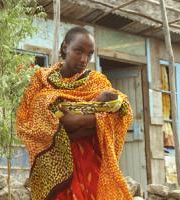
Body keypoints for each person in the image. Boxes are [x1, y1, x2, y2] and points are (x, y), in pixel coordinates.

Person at [16, 26, 133, 200]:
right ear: (65, 47)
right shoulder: (42, 82)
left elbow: (122, 110)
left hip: (90, 164)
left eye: (89, 54)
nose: (84, 59)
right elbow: (40, 124)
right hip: (57, 166)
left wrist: (72, 121)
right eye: (78, 51)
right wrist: (97, 111)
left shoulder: (97, 81)